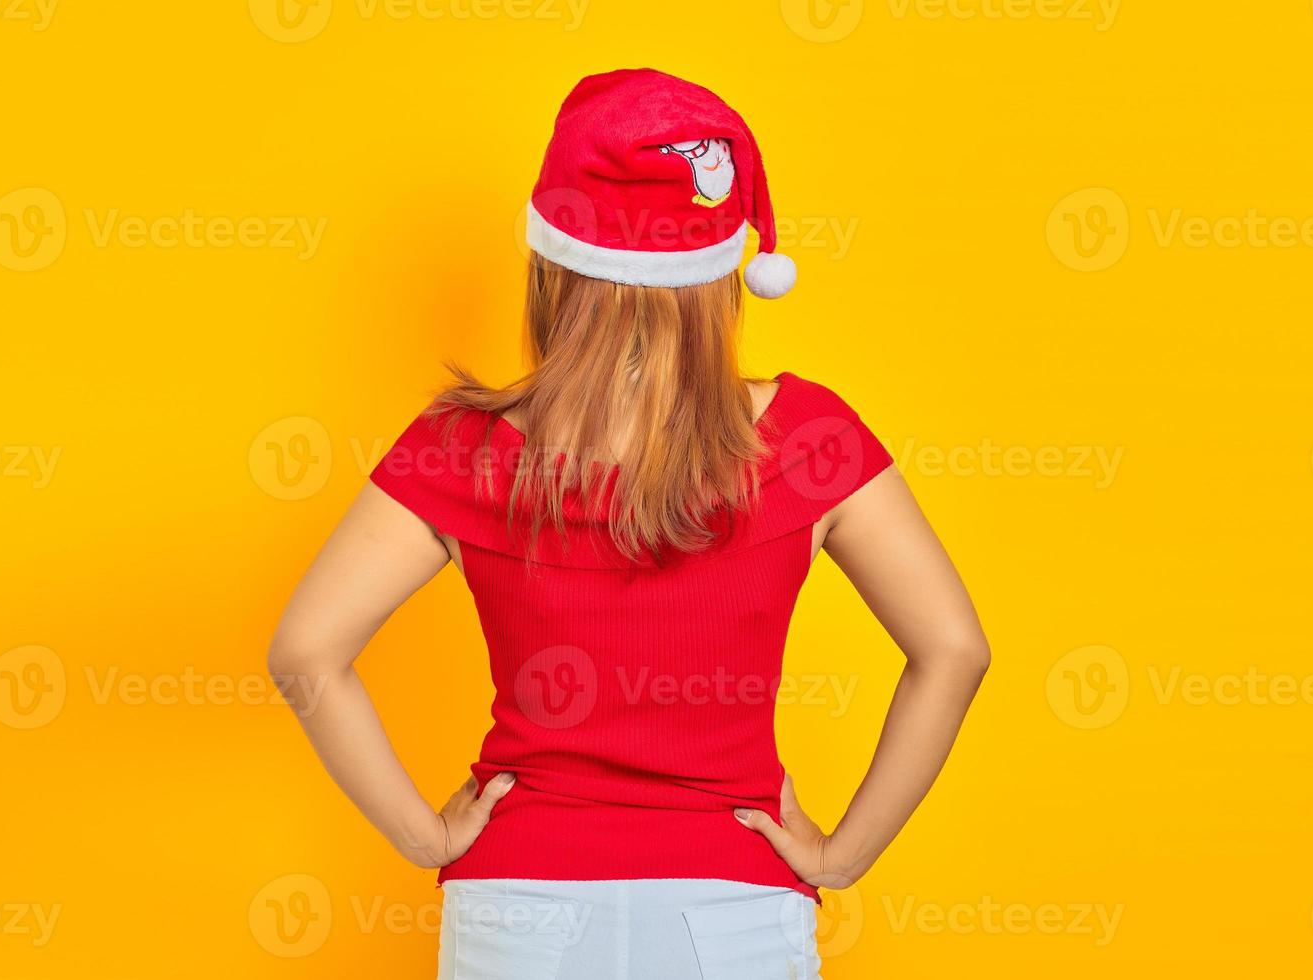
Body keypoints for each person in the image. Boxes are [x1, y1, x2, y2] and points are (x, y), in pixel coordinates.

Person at [269, 67, 990, 980]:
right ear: (724, 271)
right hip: (734, 910)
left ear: (551, 266)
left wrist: (424, 836)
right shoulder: (812, 439)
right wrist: (841, 856)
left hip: (518, 907)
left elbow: (305, 652)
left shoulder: (461, 449)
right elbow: (955, 650)